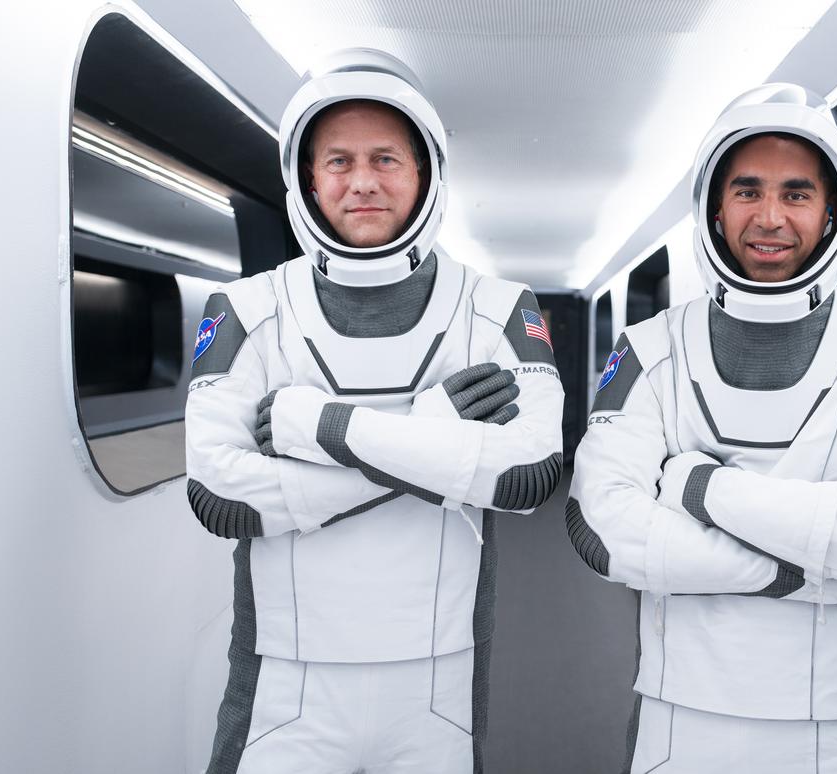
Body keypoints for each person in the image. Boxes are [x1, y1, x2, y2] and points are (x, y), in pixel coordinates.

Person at [184, 48, 564, 774]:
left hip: (438, 678)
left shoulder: (499, 310)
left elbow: (529, 475)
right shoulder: (245, 310)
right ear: (305, 179)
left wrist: (321, 430)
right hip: (282, 680)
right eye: (338, 161)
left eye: (387, 158)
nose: (362, 182)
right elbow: (219, 493)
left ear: (426, 174)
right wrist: (430, 439)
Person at [566, 83, 837, 774]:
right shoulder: (650, 346)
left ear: (833, 209)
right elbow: (601, 527)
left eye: (797, 193)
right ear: (715, 210)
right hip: (675, 718)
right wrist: (806, 572)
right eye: (747, 191)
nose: (770, 216)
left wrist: (696, 486)